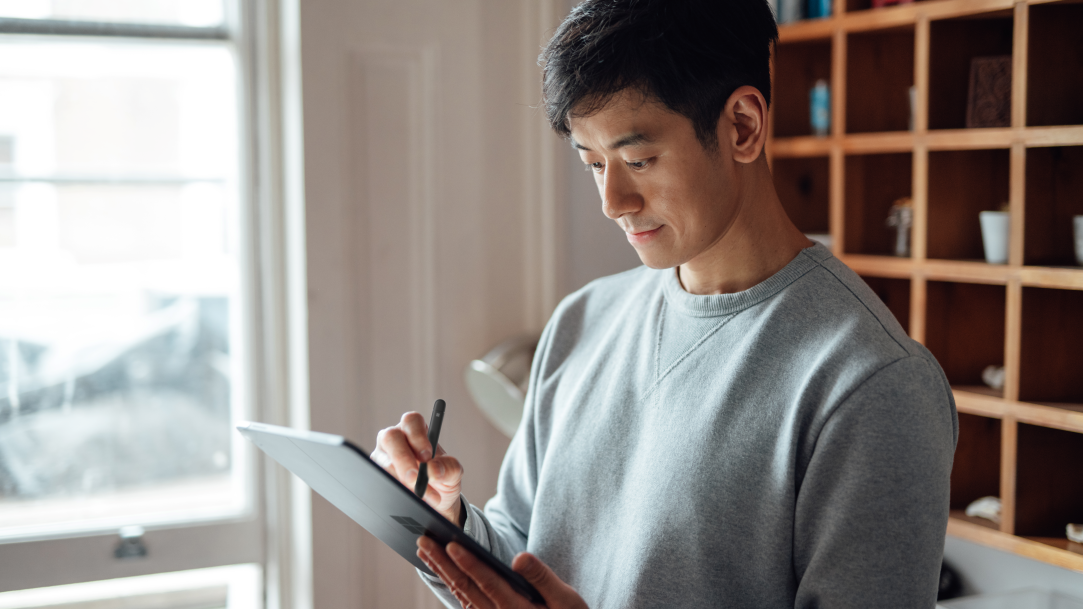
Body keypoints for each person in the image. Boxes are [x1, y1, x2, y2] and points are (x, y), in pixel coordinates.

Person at [372, 0, 958, 607]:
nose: (612, 201)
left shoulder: (873, 383)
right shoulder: (582, 321)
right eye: (593, 164)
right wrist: (444, 523)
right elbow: (524, 547)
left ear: (742, 127)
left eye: (637, 160)